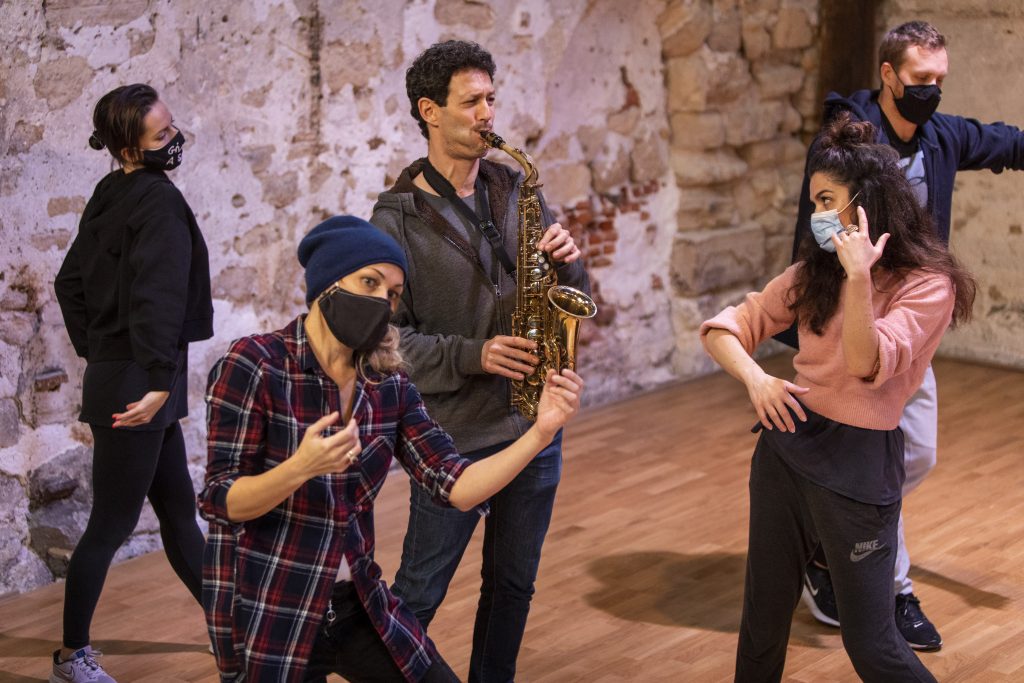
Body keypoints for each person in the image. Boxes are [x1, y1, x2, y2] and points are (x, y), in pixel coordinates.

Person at [198, 216, 584, 682]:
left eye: (393, 293)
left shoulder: (388, 386)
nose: (381, 299)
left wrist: (541, 432)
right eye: (369, 282)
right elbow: (222, 502)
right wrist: (300, 467)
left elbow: (457, 486)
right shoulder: (254, 365)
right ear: (327, 284)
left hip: (355, 604)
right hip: (271, 607)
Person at [702, 113, 975, 682]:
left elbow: (865, 362)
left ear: (868, 203)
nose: (819, 216)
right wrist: (758, 380)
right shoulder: (814, 273)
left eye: (828, 200)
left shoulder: (929, 286)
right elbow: (723, 328)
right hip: (784, 454)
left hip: (858, 471)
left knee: (872, 643)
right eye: (814, 203)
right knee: (762, 624)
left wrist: (858, 279)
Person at [785, 20, 1024, 650]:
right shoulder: (847, 143)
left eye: (940, 81)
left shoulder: (940, 137)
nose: (933, 92)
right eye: (922, 81)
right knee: (882, 463)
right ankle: (893, 591)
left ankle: (821, 540)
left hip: (909, 326)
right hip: (851, 317)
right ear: (889, 75)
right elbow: (817, 230)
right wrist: (817, 324)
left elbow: (1003, 142)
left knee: (916, 454)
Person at [369, 40, 590, 682]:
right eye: (472, 102)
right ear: (430, 111)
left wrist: (567, 260)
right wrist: (477, 354)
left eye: (492, 98)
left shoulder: (513, 187)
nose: (488, 114)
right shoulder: (396, 220)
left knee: (513, 588)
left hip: (531, 427)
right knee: (415, 599)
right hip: (453, 440)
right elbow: (384, 343)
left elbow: (567, 294)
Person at [52, 84, 213, 683]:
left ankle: (232, 631)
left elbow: (69, 284)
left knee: (177, 512)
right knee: (111, 525)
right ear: (128, 147)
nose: (175, 140)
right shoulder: (157, 202)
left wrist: (104, 356)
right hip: (143, 384)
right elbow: (158, 299)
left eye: (172, 127)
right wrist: (148, 377)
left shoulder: (111, 192)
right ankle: (71, 659)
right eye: (162, 135)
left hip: (129, 376)